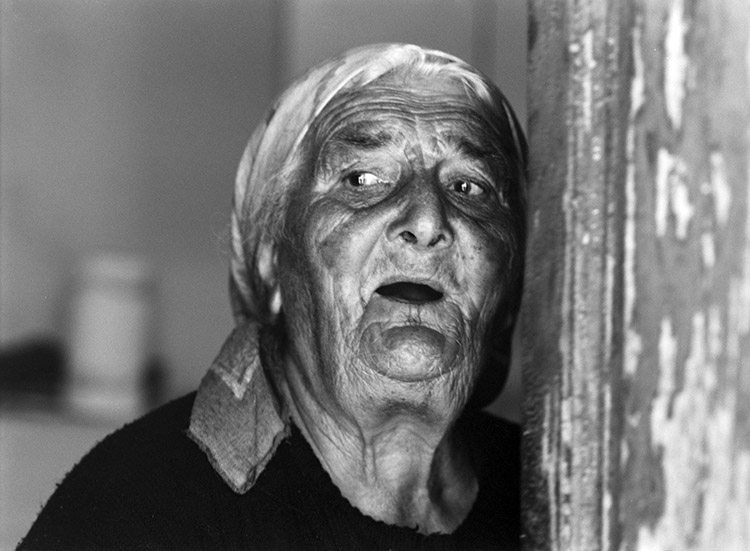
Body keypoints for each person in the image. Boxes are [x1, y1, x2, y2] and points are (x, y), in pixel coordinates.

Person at [19, 43, 526, 550]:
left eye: (470, 187)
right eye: (362, 179)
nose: (428, 220)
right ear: (270, 258)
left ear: (510, 278)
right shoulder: (131, 509)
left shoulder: (547, 488)